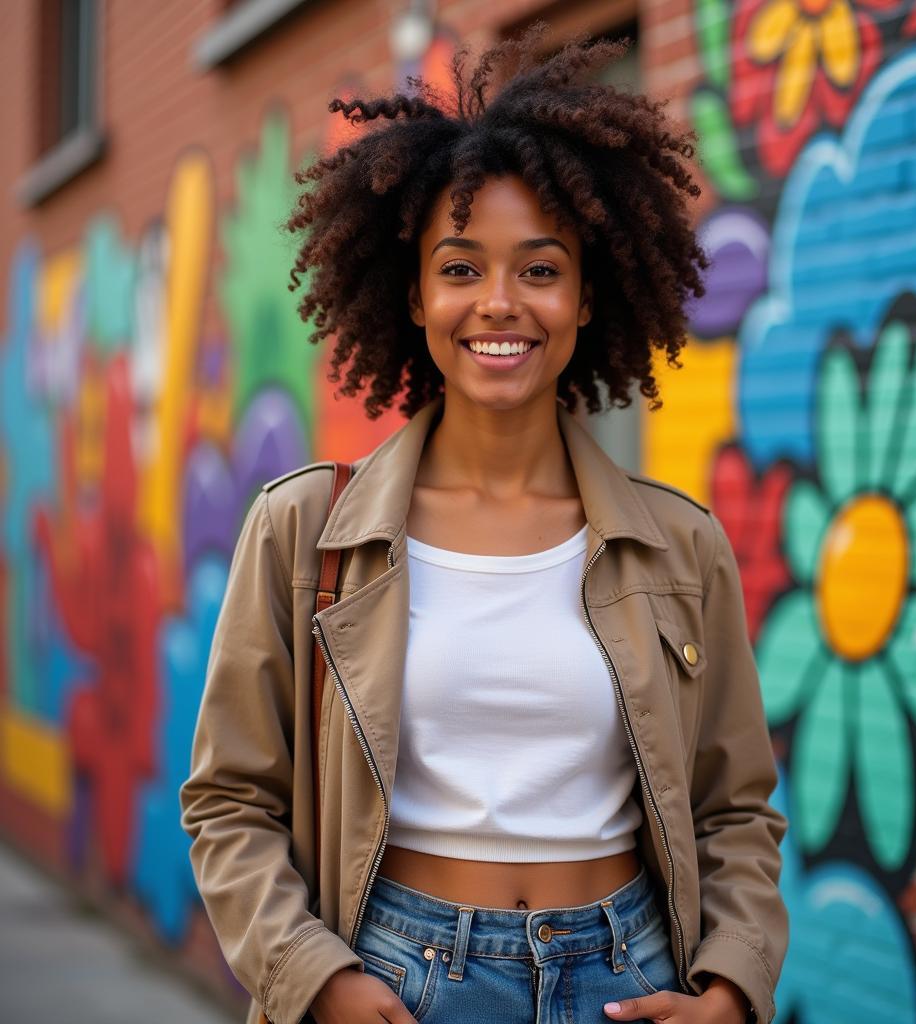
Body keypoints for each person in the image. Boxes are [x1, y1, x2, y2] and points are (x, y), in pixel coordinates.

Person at [180, 23, 788, 1024]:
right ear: (413, 294)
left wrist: (729, 985)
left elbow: (735, 812)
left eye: (540, 270)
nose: (499, 303)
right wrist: (317, 980)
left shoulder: (678, 547)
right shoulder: (305, 531)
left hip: (628, 977)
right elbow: (229, 801)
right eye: (460, 268)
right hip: (399, 979)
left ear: (587, 295)